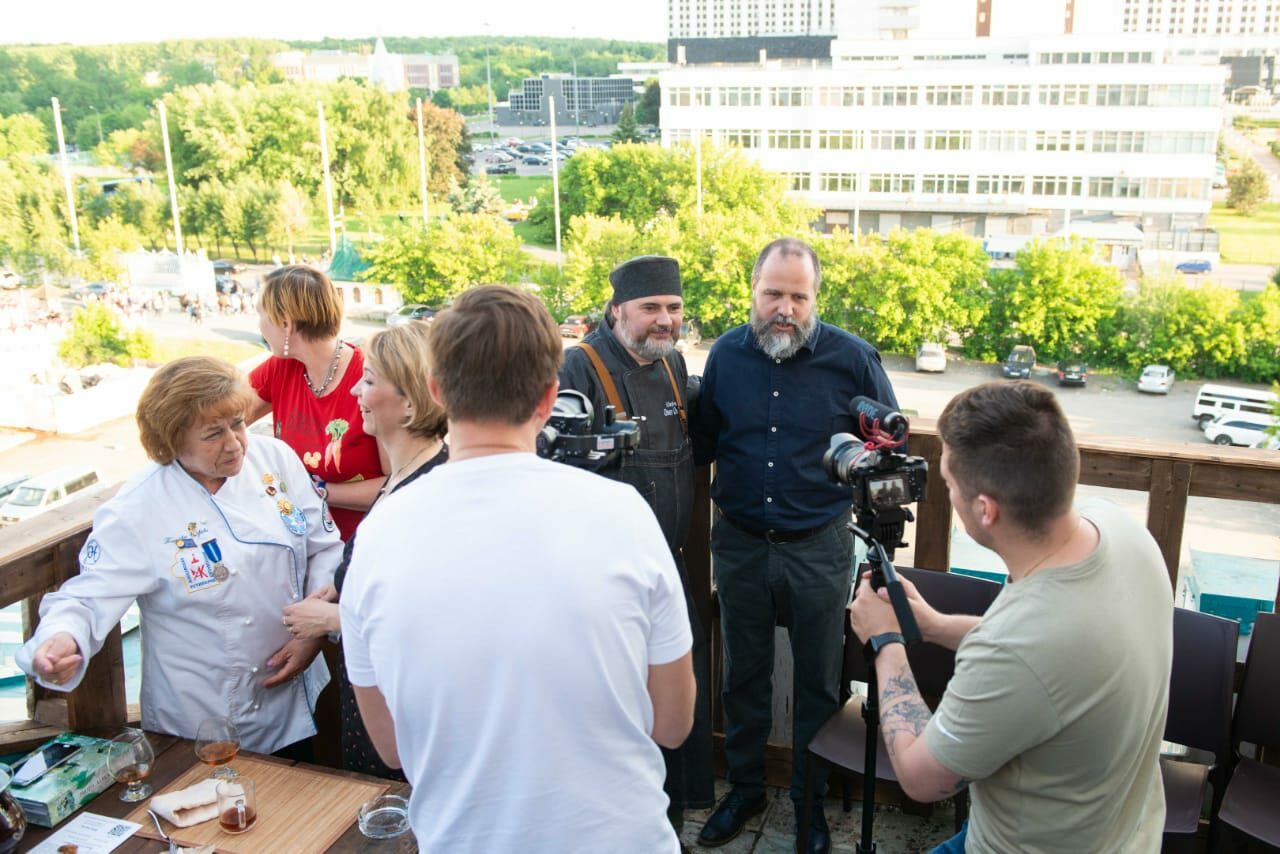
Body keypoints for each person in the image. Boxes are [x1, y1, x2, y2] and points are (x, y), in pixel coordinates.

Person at [341, 285, 696, 852]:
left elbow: (393, 750)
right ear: (549, 396)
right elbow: (673, 724)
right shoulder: (623, 515)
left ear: (435, 390)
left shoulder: (379, 535)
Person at [848, 381, 1172, 853]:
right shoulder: (1120, 532)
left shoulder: (1018, 646)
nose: (949, 495)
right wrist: (933, 625)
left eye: (949, 484)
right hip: (1123, 833)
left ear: (985, 509)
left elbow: (922, 779)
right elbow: (1048, 663)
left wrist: (885, 644)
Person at [17, 356, 341, 755]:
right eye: (212, 434)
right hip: (203, 719)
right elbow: (88, 596)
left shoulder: (274, 459)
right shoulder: (139, 509)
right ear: (171, 441)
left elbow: (323, 546)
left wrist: (313, 632)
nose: (235, 443)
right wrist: (61, 640)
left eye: (237, 423)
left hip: (301, 689)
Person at [692, 237, 899, 854]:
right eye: (773, 293)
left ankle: (809, 802)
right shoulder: (726, 355)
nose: (785, 308)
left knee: (818, 682)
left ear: (816, 298)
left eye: (798, 296)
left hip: (820, 545)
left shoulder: (855, 360)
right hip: (740, 543)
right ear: (752, 291)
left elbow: (887, 450)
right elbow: (705, 441)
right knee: (743, 676)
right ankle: (748, 788)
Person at [558, 255, 714, 827]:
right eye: (651, 308)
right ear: (617, 307)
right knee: (623, 717)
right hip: (602, 591)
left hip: (668, 575)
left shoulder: (673, 365)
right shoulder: (578, 368)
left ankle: (669, 826)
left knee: (678, 706)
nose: (664, 320)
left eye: (673, 308)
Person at [279, 322, 448, 779]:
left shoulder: (431, 491)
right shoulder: (402, 475)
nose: (355, 389)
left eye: (370, 380)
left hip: (403, 716)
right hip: (375, 702)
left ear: (412, 401)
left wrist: (332, 622)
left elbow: (434, 619)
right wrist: (332, 594)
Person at [250, 265, 386, 541]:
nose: (259, 325)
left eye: (261, 315)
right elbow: (224, 415)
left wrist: (316, 492)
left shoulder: (371, 378)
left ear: (285, 323)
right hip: (300, 543)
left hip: (358, 547)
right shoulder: (280, 368)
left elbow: (400, 481)